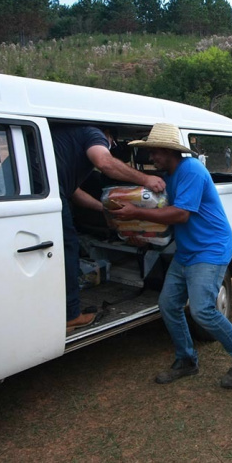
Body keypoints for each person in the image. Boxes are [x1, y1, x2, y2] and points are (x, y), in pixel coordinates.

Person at [109, 123, 232, 389]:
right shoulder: (169, 175)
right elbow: (162, 210)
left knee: (202, 310)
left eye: (155, 152)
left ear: (170, 151)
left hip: (210, 249)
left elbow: (180, 214)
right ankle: (187, 360)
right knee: (169, 305)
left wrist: (136, 213)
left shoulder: (191, 170)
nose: (152, 157)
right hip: (187, 250)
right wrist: (139, 229)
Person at [52, 124, 165, 333]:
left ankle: (57, 308)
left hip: (43, 188)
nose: (111, 146)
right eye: (112, 143)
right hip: (49, 193)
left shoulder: (66, 142)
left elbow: (74, 193)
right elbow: (104, 162)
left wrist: (104, 209)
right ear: (108, 134)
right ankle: (71, 315)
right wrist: (146, 179)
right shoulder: (93, 133)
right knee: (68, 248)